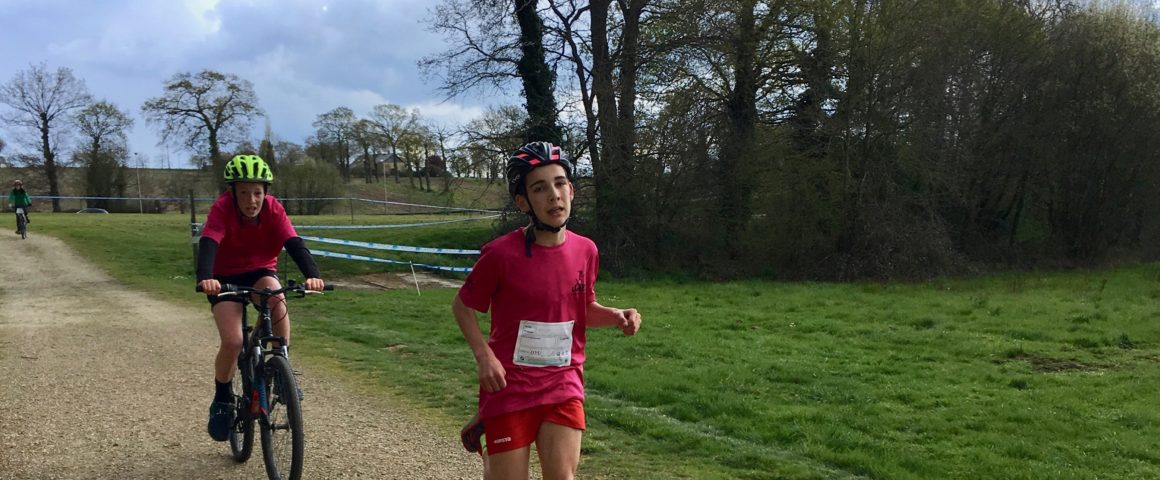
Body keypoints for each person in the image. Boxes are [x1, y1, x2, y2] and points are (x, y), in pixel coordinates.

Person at [452, 141, 643, 480]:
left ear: (571, 191)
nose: (554, 195)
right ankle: (492, 443)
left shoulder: (586, 250)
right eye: (539, 188)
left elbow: (583, 308)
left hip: (563, 382)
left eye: (559, 184)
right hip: (510, 385)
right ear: (523, 202)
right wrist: (484, 358)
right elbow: (463, 306)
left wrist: (616, 316)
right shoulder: (500, 254)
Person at [195, 154, 324, 442]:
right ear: (232, 192)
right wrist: (206, 277)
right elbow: (209, 242)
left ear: (265, 192)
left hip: (260, 271)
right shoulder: (222, 208)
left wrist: (313, 275)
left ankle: (280, 368)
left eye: (257, 192)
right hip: (223, 277)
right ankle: (222, 398)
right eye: (243, 192)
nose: (251, 200)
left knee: (276, 299)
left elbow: (294, 243)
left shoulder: (274, 209)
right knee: (233, 341)